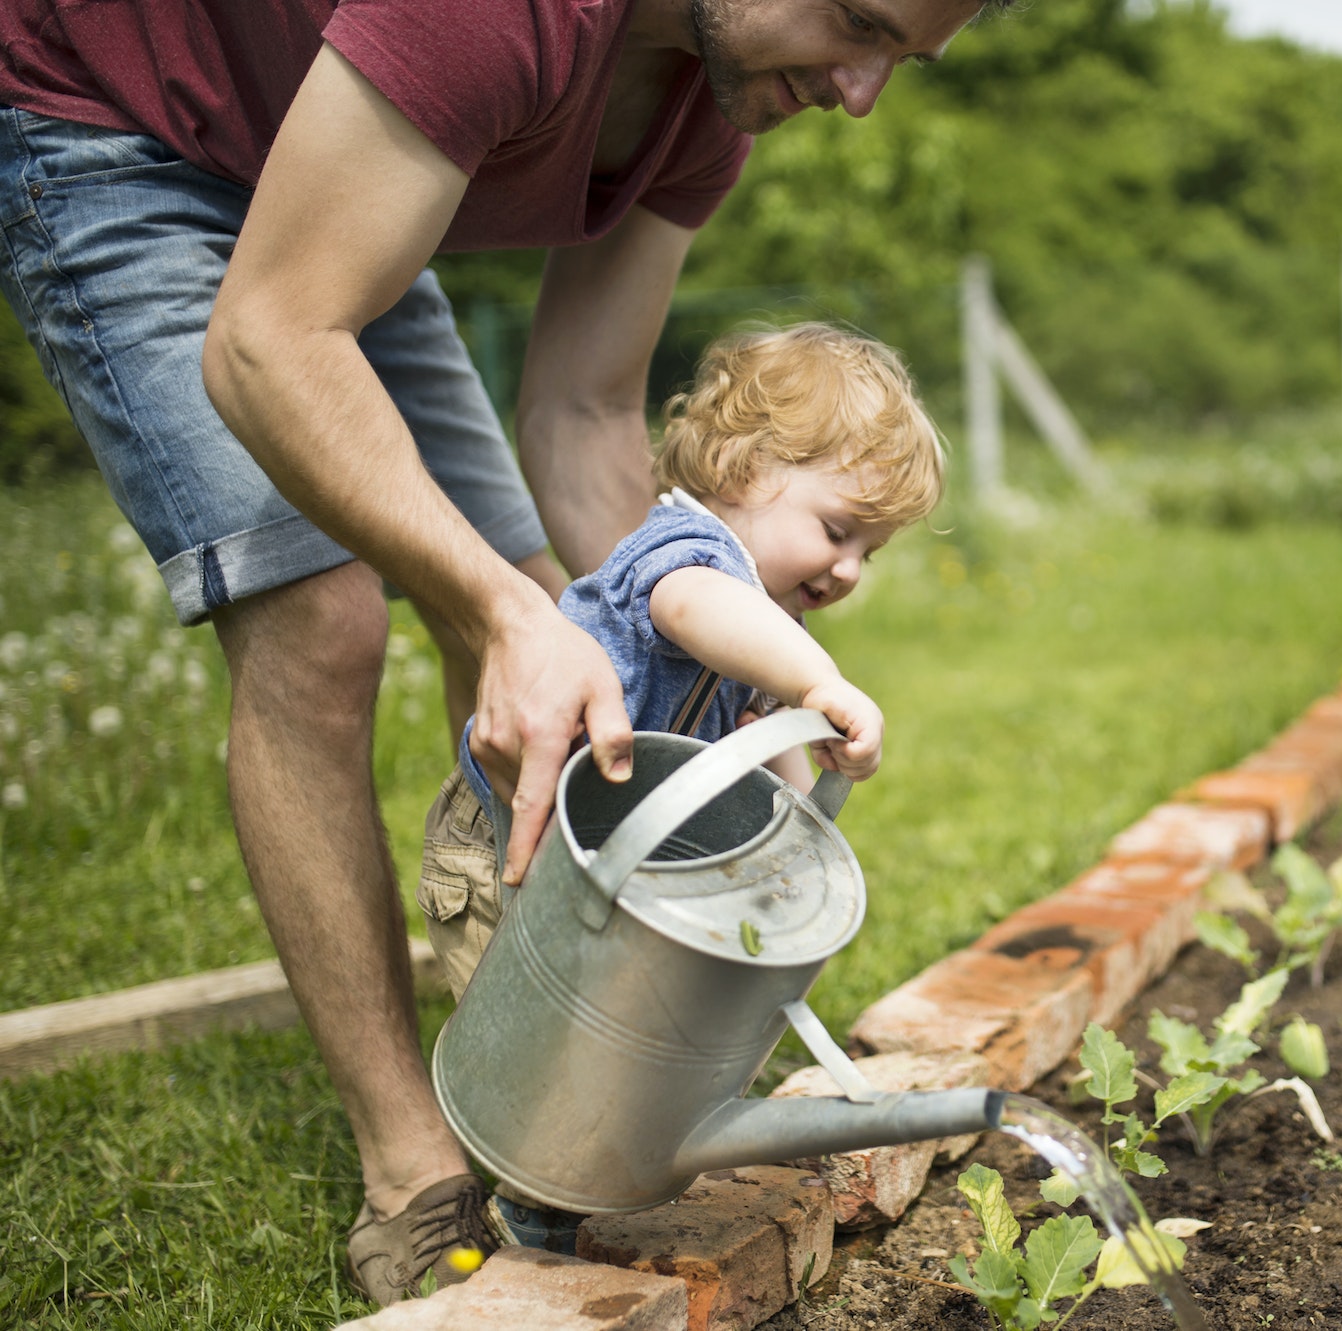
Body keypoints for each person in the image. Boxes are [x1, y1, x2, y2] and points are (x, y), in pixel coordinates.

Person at [0, 0, 991, 1305]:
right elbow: (268, 336)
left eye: (903, 61)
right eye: (859, 21)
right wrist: (503, 619)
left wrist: (611, 626)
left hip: (331, 164)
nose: (862, 91)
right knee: (324, 617)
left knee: (551, 606)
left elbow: (582, 416)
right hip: (120, 128)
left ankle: (543, 1027)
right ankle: (412, 1162)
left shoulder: (716, 85)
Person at [419, 320, 940, 1253]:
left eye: (873, 549)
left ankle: (575, 1186)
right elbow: (695, 609)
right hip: (508, 853)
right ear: (743, 470)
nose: (851, 567)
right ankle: (526, 1211)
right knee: (538, 1050)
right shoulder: (685, 556)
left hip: (604, 875)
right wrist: (817, 678)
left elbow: (748, 742)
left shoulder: (759, 617)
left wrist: (797, 803)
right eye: (837, 529)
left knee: (620, 1030)